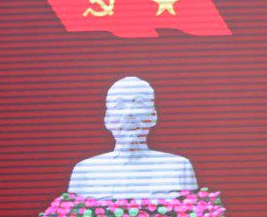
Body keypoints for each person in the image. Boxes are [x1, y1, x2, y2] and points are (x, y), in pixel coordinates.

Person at [67, 76, 198, 199]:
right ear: (107, 119)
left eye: (139, 104)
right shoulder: (85, 171)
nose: (129, 113)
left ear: (153, 116)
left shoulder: (179, 167)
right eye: (119, 105)